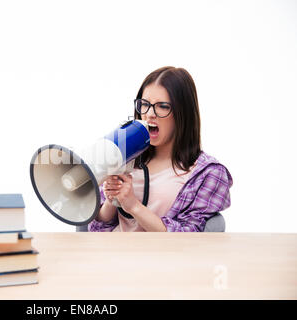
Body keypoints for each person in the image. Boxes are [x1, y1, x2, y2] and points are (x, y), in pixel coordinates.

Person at [88, 66, 233, 232]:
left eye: (162, 106)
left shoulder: (208, 173)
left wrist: (133, 206)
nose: (149, 114)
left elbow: (190, 237)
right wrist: (112, 200)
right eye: (144, 104)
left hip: (164, 257)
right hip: (113, 253)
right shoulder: (125, 152)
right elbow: (97, 226)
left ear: (183, 114)